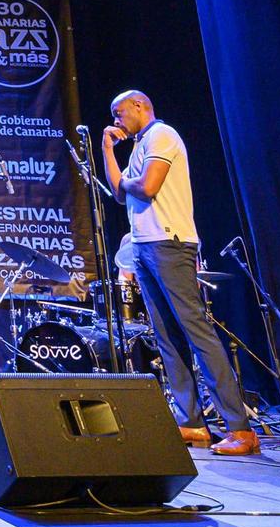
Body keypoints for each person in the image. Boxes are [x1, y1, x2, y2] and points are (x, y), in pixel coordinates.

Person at [103, 90, 258, 456]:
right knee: (167, 338)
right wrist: (108, 149)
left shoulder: (162, 135)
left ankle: (240, 428)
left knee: (196, 331)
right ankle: (191, 423)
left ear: (140, 106)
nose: (116, 120)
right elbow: (119, 193)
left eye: (120, 113)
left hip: (170, 244)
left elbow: (148, 186)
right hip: (143, 245)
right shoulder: (140, 145)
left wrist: (126, 182)